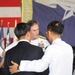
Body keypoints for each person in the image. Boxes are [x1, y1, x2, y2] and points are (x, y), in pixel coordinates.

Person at [9, 21, 73, 75]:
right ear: (61, 33)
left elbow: (41, 66)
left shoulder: (52, 48)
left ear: (49, 32)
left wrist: (19, 67)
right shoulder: (69, 47)